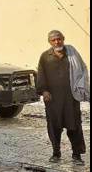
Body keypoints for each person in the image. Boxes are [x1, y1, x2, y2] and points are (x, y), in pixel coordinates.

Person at [36, 30, 89, 166]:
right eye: (53, 40)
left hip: (71, 98)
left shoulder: (72, 54)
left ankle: (76, 155)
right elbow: (41, 75)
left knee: (74, 126)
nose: (57, 42)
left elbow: (83, 69)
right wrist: (44, 91)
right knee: (54, 126)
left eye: (59, 39)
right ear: (50, 42)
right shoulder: (45, 57)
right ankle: (56, 153)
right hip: (53, 99)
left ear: (63, 39)